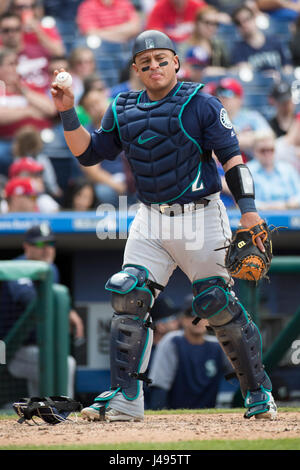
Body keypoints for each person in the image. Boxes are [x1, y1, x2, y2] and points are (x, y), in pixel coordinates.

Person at [51, 29, 277, 422]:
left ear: (175, 62)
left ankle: (259, 393)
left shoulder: (202, 103)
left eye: (161, 59)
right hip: (150, 217)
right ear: (136, 69)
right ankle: (126, 398)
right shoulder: (122, 107)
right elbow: (88, 154)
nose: (153, 66)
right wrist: (68, 110)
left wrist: (249, 210)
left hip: (202, 215)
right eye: (145, 62)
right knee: (129, 296)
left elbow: (233, 160)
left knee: (216, 303)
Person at [1, 222, 84, 398]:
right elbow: (28, 299)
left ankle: (43, 414)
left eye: (50, 244)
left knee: (45, 373)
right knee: (65, 364)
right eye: (39, 244)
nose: (47, 249)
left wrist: (69, 310)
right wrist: (64, 311)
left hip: (39, 348)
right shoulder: (18, 268)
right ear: (26, 247)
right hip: (12, 350)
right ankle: (62, 411)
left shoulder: (51, 269)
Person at [147, 295, 226, 410]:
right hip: (176, 418)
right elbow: (159, 387)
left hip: (209, 419)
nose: (197, 320)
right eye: (191, 314)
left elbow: (242, 374)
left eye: (203, 315)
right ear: (182, 319)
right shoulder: (172, 341)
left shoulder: (217, 346)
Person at [0, 48, 57, 176]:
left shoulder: (29, 87)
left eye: (16, 63)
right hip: (8, 141)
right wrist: (29, 112)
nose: (15, 68)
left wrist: (23, 90)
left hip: (40, 138)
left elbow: (50, 109)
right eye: (10, 64)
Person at [76, 0, 141, 86]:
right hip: (101, 51)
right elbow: (90, 32)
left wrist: (102, 32)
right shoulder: (87, 6)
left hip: (125, 48)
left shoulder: (124, 3)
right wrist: (122, 33)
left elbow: (135, 27)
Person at [215, 76, 272, 160]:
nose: (222, 97)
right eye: (219, 93)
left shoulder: (252, 117)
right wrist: (247, 138)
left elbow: (268, 138)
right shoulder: (213, 120)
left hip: (253, 167)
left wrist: (226, 141)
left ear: (239, 98)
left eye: (227, 93)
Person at [230, 4, 293, 74]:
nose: (244, 25)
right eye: (238, 23)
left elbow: (287, 67)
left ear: (254, 18)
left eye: (247, 19)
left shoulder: (275, 41)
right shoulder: (238, 49)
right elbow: (244, 71)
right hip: (255, 84)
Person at [247, 129, 300, 210]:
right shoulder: (247, 170)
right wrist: (266, 207)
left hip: (288, 215)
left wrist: (287, 204)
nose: (267, 154)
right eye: (263, 150)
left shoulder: (288, 169)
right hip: (259, 216)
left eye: (271, 150)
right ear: (254, 151)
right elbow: (245, 200)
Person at [181, 5, 230, 77]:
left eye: (215, 24)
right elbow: (182, 70)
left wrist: (216, 71)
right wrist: (204, 71)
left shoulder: (218, 45)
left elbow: (228, 69)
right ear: (197, 23)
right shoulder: (186, 46)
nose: (211, 27)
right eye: (207, 22)